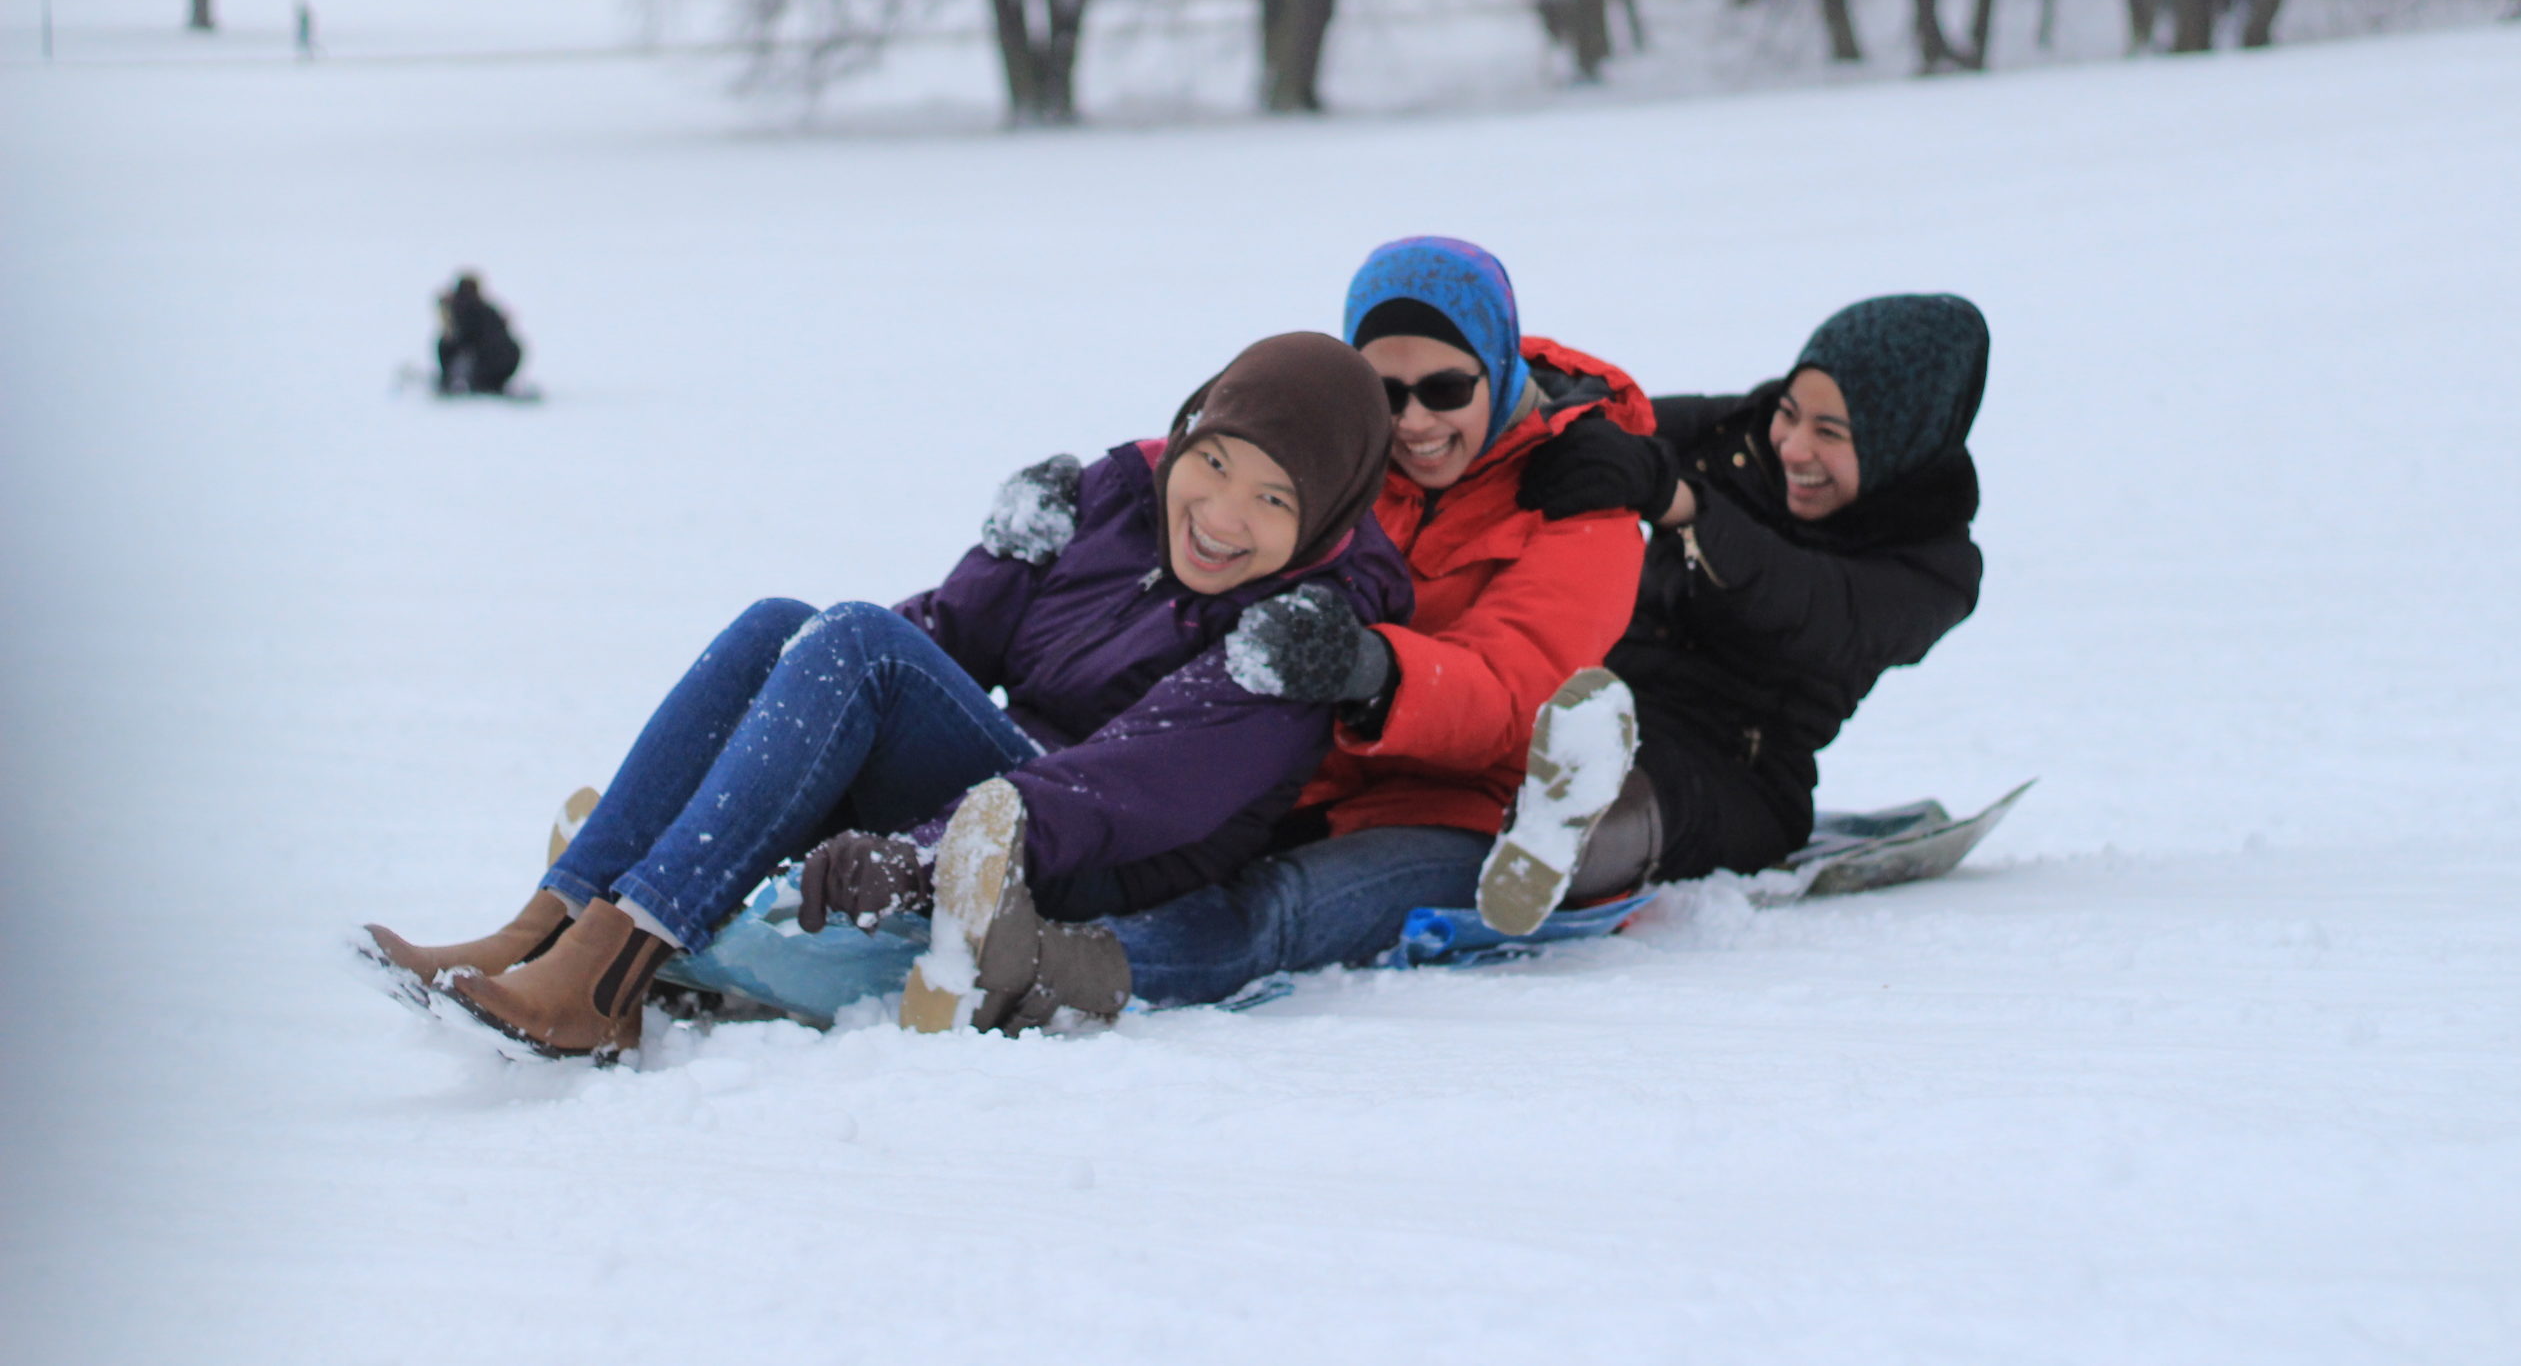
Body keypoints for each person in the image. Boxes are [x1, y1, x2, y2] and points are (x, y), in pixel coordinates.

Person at [362, 333, 1407, 1058]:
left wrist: (926, 850)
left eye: (1272, 499)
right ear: (1187, 434)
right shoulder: (1116, 504)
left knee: (854, 642)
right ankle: (553, 924)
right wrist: (819, 710)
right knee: (787, 626)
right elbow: (947, 637)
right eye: (1212, 463)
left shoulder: (1299, 635)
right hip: (1007, 793)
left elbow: (1133, 793)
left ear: (1322, 517)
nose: (1222, 514)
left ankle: (601, 974)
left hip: (1085, 865)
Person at [911, 237, 1658, 1028]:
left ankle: (1056, 971)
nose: (1413, 422)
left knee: (1274, 908)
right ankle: (965, 914)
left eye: (1444, 388)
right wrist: (1085, 506)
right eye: (1384, 390)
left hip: (1457, 805)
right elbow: (1216, 464)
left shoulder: (1581, 507)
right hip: (1294, 778)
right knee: (1155, 842)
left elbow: (1513, 689)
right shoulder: (1346, 466)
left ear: (1500, 371)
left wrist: (1372, 670)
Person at [1492, 293, 1991, 909]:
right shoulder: (1739, 434)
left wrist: (1685, 506)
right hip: (1592, 700)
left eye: (1829, 433)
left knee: (1656, 793)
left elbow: (1811, 605)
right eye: (1790, 412)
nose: (1793, 447)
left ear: (1898, 442)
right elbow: (1612, 422)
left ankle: (1557, 856)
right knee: (1507, 721)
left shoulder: (1936, 567)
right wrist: (1496, 399)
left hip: (1735, 773)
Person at [433, 272, 524, 397]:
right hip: (512, 355)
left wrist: (446, 379)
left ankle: (479, 384)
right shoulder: (488, 308)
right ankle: (492, 385)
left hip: (488, 360)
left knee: (446, 345)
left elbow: (457, 342)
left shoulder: (460, 310)